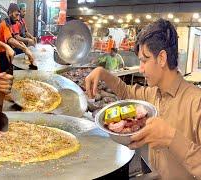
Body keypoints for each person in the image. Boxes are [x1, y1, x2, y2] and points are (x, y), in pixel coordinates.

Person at [85, 19, 201, 179]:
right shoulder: (153, 94)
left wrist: (171, 138)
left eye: (145, 60)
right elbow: (124, 91)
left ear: (161, 58)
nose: (141, 68)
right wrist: (102, 73)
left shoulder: (196, 103)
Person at [0, 3, 36, 72]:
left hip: (9, 53)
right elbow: (10, 40)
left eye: (18, 15)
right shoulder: (4, 24)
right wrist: (25, 49)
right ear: (10, 13)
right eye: (16, 15)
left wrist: (24, 47)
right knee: (3, 78)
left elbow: (14, 38)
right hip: (3, 56)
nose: (17, 18)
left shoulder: (10, 24)